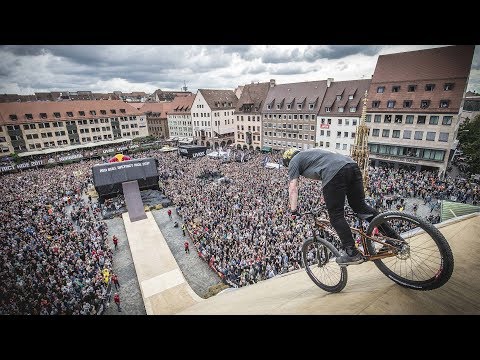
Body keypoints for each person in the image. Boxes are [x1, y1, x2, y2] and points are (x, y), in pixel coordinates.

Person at [283, 147, 399, 265]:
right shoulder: (310, 154)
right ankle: (394, 238)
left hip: (335, 172)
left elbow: (293, 186)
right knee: (361, 207)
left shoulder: (294, 161)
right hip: (352, 165)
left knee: (336, 216)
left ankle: (352, 253)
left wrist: (293, 210)